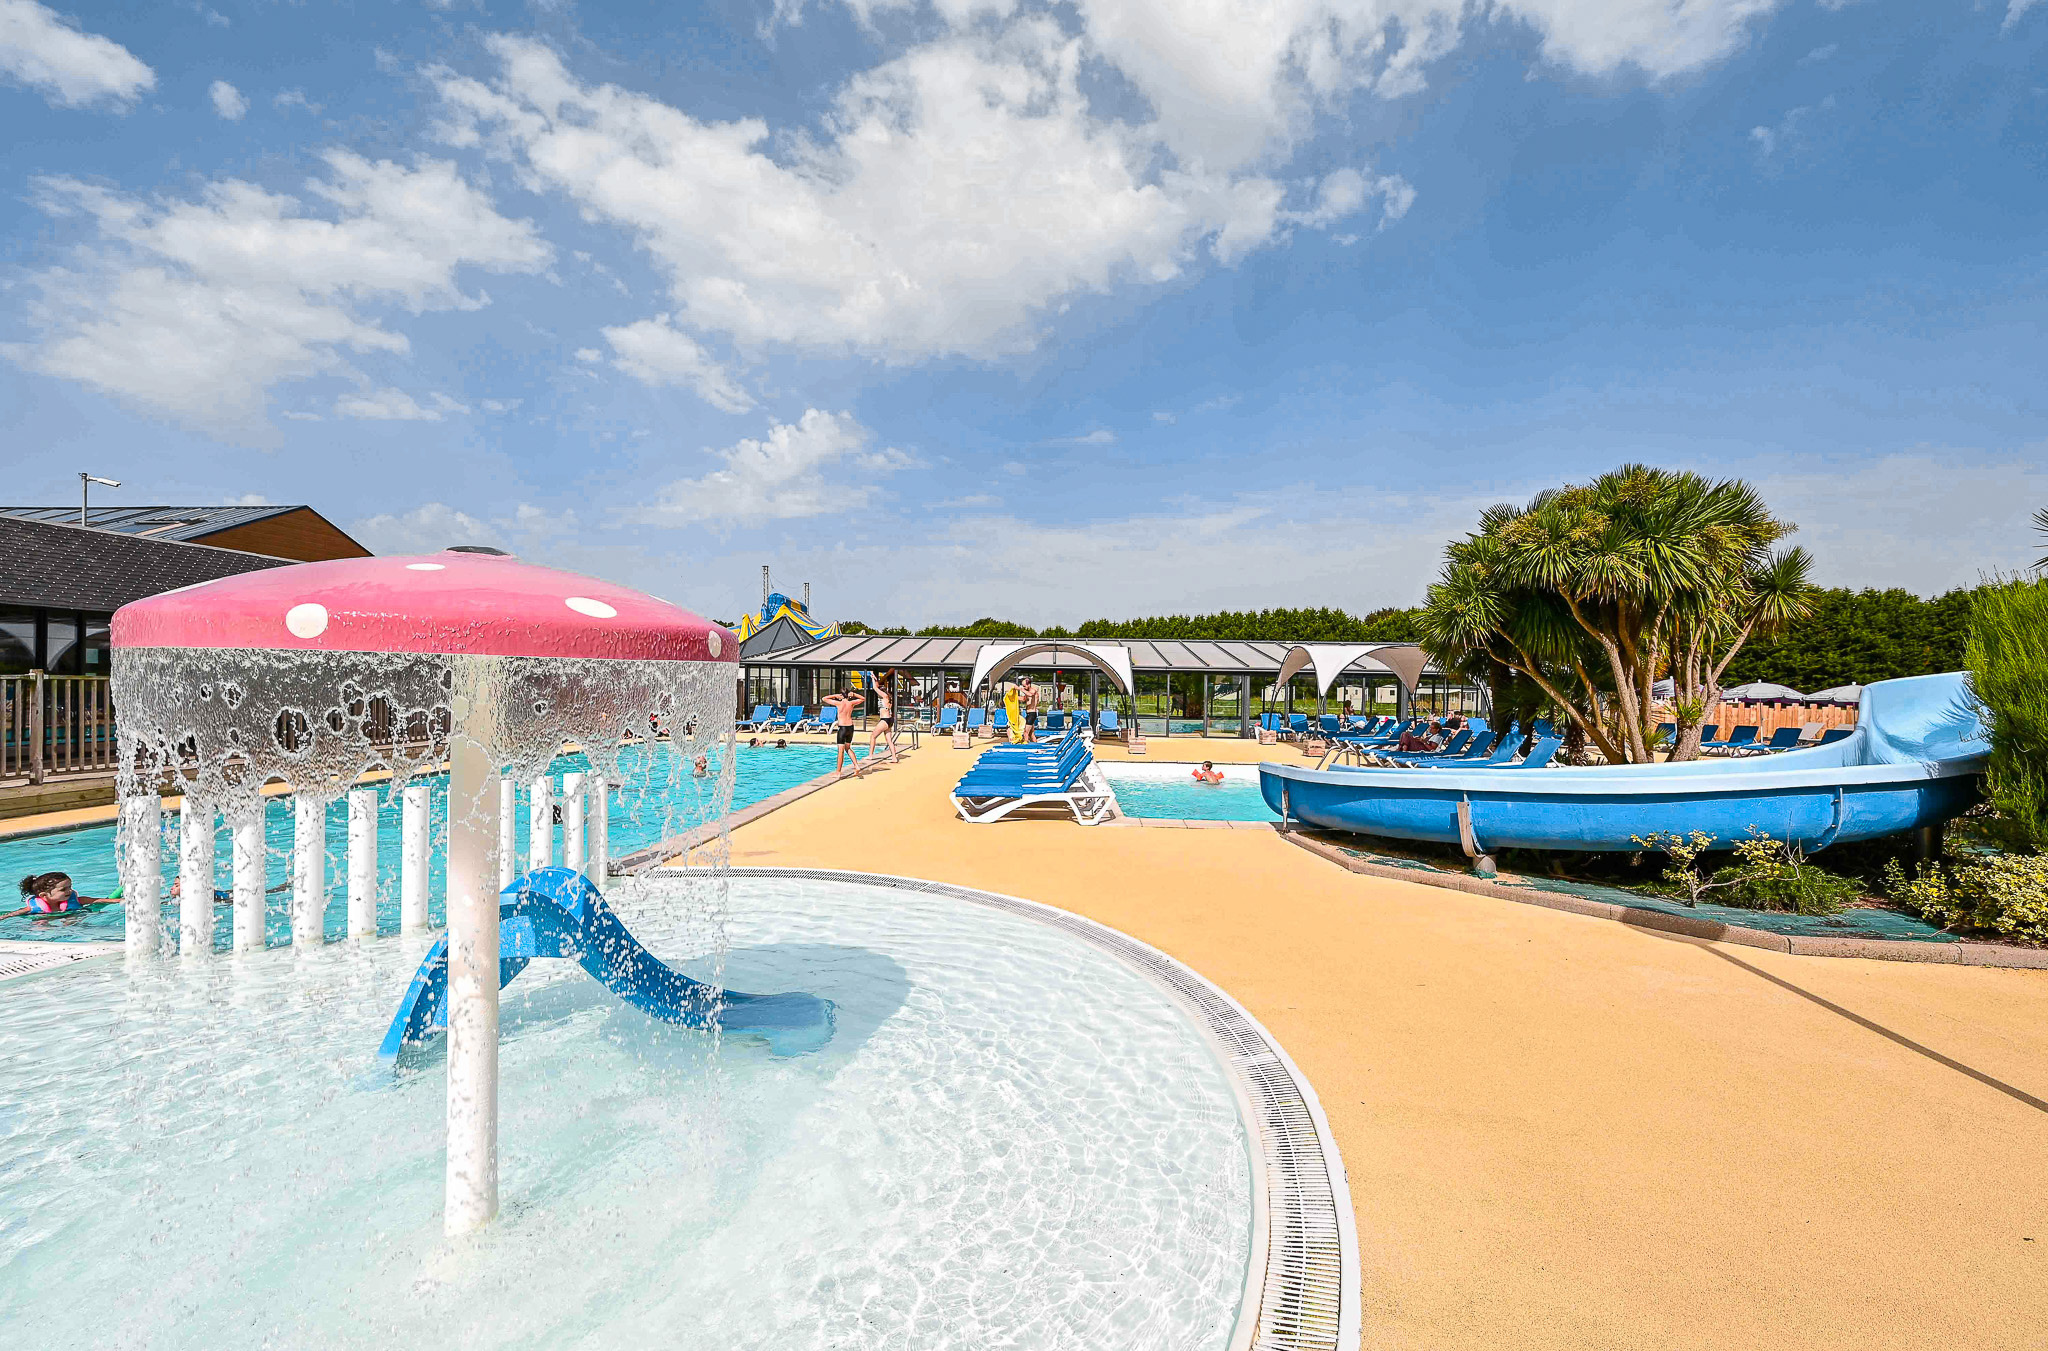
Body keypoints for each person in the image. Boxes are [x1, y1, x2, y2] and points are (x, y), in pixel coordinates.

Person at [10, 871, 119, 919]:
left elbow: (97, 900)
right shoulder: (35, 906)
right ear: (44, 896)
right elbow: (17, 913)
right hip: (44, 918)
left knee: (72, 920)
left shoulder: (76, 900)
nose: (70, 891)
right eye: (63, 889)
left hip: (71, 915)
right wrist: (4, 917)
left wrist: (119, 900)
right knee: (41, 925)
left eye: (70, 887)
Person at [822, 687, 865, 775]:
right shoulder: (852, 703)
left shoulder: (838, 703)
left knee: (840, 751)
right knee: (848, 748)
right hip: (850, 727)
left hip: (842, 729)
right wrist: (854, 694)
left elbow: (824, 698)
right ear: (848, 695)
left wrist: (835, 696)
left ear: (841, 695)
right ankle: (856, 765)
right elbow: (863, 698)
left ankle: (838, 772)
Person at [865, 678, 898, 770]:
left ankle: (870, 755)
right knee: (889, 740)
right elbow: (877, 687)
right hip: (889, 720)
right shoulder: (887, 698)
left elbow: (875, 688)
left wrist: (872, 678)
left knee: (873, 736)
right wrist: (875, 679)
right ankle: (894, 758)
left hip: (885, 720)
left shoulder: (885, 697)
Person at [1019, 675, 1041, 740]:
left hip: (1032, 714)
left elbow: (1031, 694)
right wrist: (1012, 698)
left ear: (1029, 684)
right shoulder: (1027, 692)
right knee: (1031, 733)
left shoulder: (1033, 691)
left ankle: (1026, 747)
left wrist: (1021, 689)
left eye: (1024, 686)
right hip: (1029, 714)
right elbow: (1023, 699)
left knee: (1025, 733)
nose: (1024, 687)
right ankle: (1036, 745)